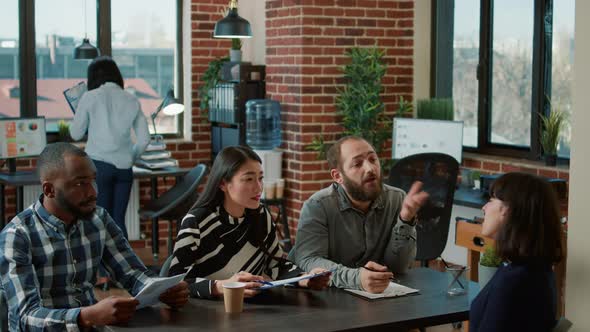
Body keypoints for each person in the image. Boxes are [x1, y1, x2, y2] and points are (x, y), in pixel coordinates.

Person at [0, 143, 189, 331]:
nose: (93, 192)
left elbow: (132, 273)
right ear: (49, 190)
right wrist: (86, 317)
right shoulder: (17, 236)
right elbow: (25, 318)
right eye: (80, 183)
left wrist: (160, 290)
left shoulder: (99, 219)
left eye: (93, 180)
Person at [168, 145, 330, 298]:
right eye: (248, 179)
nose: (259, 188)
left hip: (255, 310)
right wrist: (222, 286)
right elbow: (175, 283)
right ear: (223, 183)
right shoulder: (196, 222)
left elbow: (276, 265)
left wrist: (305, 278)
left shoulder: (260, 214)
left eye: (260, 178)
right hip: (205, 314)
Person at [288, 136, 429, 293]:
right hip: (321, 297)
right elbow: (309, 260)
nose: (370, 168)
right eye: (357, 164)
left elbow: (398, 267)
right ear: (338, 176)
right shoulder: (318, 206)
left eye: (372, 159)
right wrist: (357, 278)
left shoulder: (397, 199)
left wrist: (406, 220)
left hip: (374, 299)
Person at [470, 172, 564, 331]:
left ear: (508, 209)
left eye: (491, 200)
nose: (484, 207)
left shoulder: (514, 281)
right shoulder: (536, 270)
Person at [70, 55, 150, 239]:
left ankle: (101, 266)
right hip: (124, 169)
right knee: (118, 221)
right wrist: (131, 157)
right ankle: (123, 266)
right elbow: (145, 139)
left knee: (99, 221)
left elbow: (75, 133)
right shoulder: (131, 99)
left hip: (98, 166)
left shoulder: (90, 97)